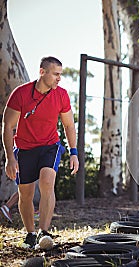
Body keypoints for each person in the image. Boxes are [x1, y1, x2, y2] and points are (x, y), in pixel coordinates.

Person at [2, 56, 79, 250]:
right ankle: (30, 234)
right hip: (25, 148)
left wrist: (74, 152)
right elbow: (8, 126)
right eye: (55, 74)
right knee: (25, 193)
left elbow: (69, 125)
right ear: (42, 72)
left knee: (46, 181)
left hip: (50, 146)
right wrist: (10, 158)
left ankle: (44, 233)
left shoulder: (61, 95)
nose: (59, 79)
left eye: (60, 75)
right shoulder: (20, 94)